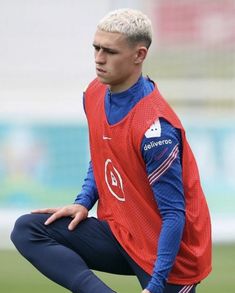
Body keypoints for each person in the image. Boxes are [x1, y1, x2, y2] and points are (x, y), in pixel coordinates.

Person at [11, 8, 212, 293]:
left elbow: (173, 215)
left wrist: (154, 288)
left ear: (139, 55)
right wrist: (84, 201)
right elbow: (103, 153)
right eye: (96, 48)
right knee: (28, 229)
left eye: (110, 51)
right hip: (122, 233)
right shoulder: (94, 93)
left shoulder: (155, 129)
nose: (98, 58)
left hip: (171, 255)